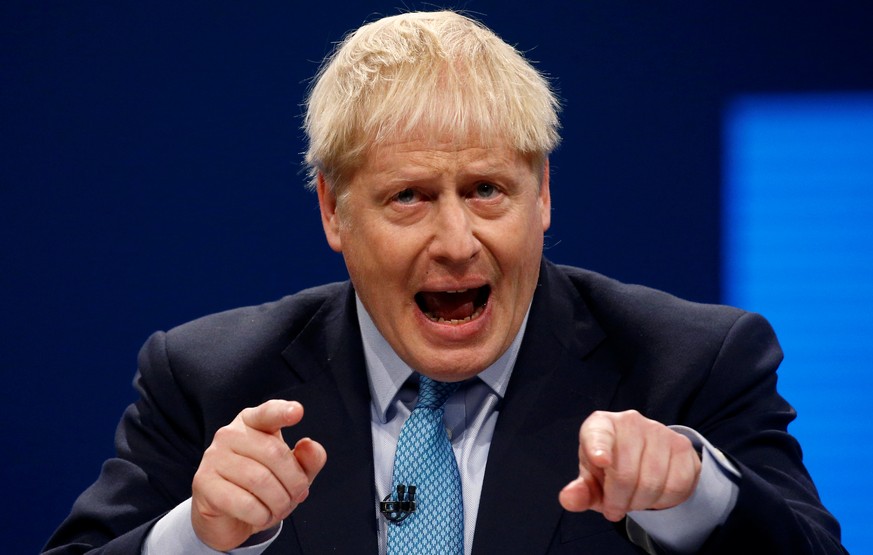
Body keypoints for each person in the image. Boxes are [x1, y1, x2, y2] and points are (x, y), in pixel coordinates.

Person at [44, 10, 846, 555]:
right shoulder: (209, 377)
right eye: (410, 197)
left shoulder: (690, 364)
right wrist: (198, 534)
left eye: (487, 190)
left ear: (542, 192)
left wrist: (695, 496)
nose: (457, 243)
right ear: (333, 210)